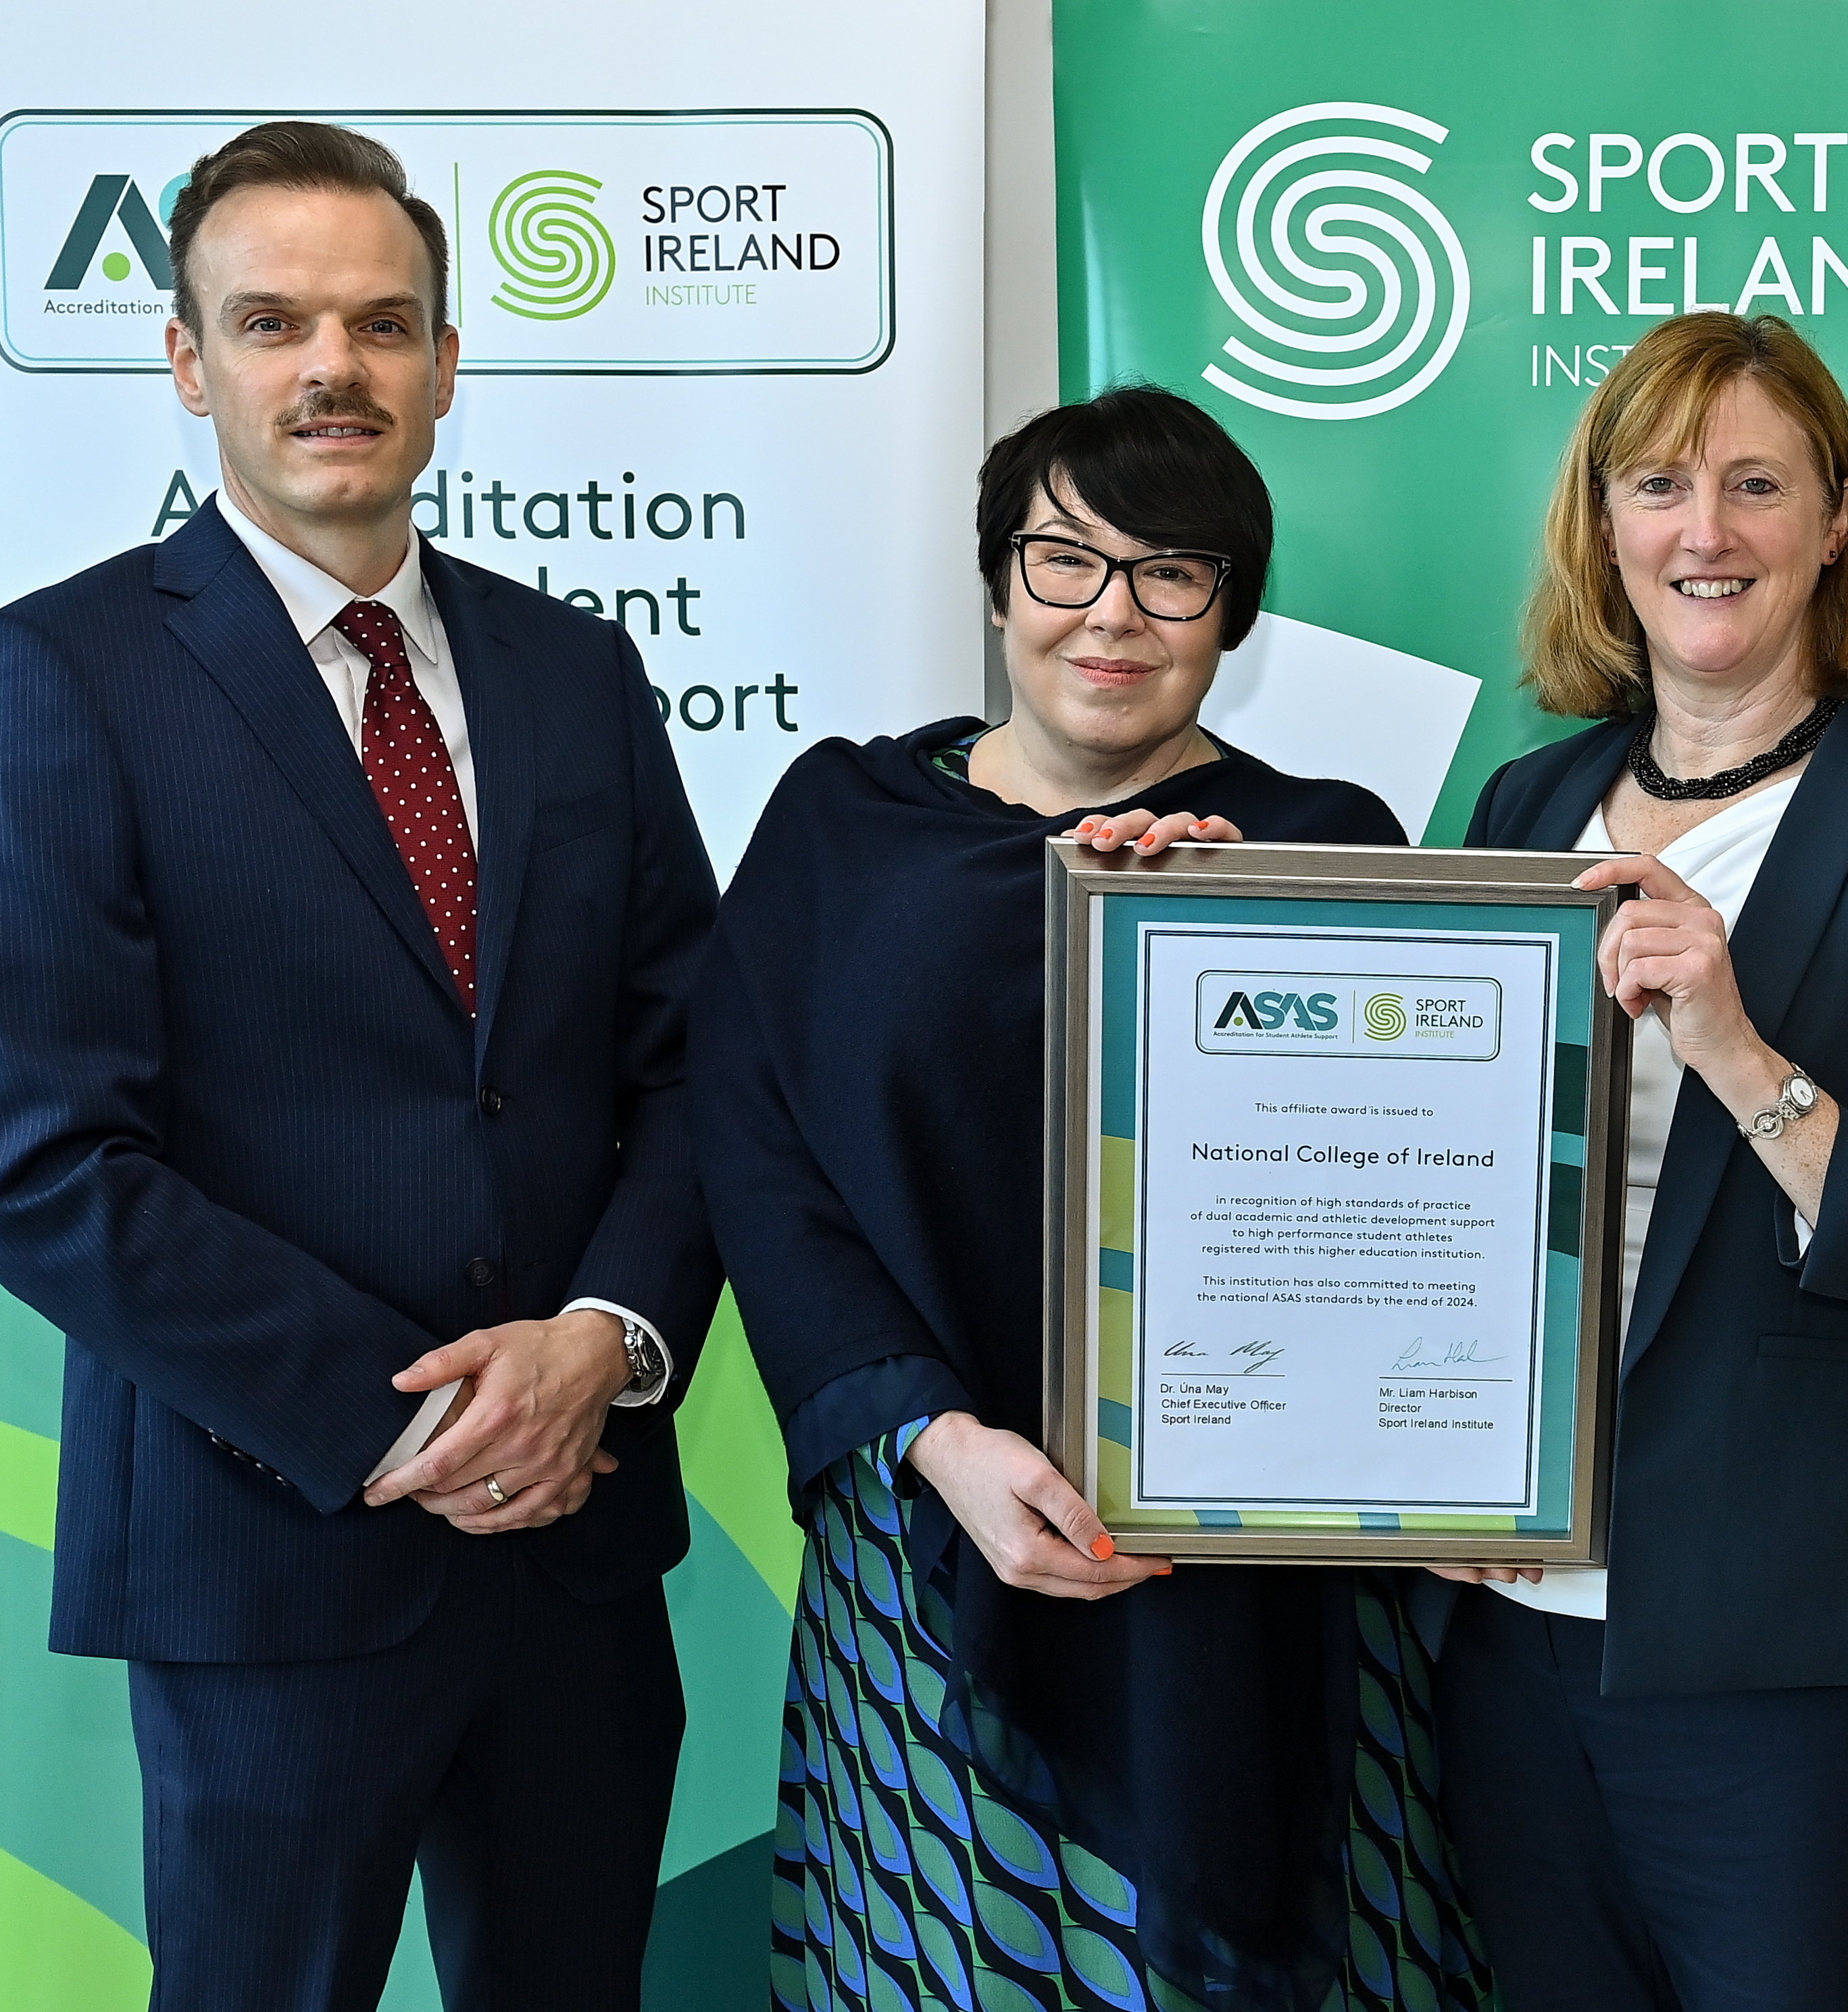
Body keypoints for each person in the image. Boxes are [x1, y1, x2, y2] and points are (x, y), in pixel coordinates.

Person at [0, 123, 719, 2008]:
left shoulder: (577, 672)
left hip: (577, 1548)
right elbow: (42, 1152)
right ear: (187, 362)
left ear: (446, 361)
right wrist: (405, 1417)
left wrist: (606, 1344)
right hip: (269, 1551)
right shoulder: (59, 676)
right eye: (273, 321)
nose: (335, 366)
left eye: (383, 322)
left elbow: (699, 1058)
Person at [691, 383, 1489, 2012]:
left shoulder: (1318, 847)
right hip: (929, 1536)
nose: (1110, 615)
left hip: (1244, 1598)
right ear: (997, 584)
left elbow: (1397, 1211)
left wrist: (1214, 929)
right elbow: (758, 1161)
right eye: (1064, 560)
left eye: (1169, 572)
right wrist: (937, 1439)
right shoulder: (843, 824)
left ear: (1231, 615)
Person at [1424, 310, 1848, 2011]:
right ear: (1604, 523)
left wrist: (1735, 1046)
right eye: (1659, 482)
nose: (1702, 529)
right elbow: (1438, 1199)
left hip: (1787, 1663)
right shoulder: (1523, 802)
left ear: (1839, 521)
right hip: (1507, 1637)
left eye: (1755, 483)